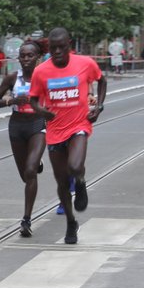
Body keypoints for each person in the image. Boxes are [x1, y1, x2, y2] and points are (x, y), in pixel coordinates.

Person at [29, 27, 106, 245]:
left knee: (74, 166)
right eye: (53, 48)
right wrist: (42, 112)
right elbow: (33, 99)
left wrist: (98, 107)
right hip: (55, 131)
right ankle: (71, 222)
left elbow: (102, 80)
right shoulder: (41, 71)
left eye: (62, 47)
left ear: (69, 45)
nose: (58, 52)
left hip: (79, 125)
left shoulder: (84, 63)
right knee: (61, 181)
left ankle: (80, 182)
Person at [0, 40, 47, 237]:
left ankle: (26, 219)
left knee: (31, 171)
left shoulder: (46, 77)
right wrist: (12, 100)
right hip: (16, 126)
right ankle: (35, 160)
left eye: (29, 55)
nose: (25, 59)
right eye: (22, 56)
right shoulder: (12, 78)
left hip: (37, 125)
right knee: (25, 175)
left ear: (38, 57)